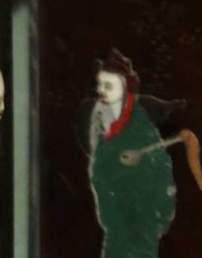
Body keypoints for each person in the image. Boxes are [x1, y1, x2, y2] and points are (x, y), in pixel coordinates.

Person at [78, 52, 179, 258]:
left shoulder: (141, 124)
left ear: (125, 87)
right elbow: (98, 173)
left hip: (145, 221)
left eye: (108, 85)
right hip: (117, 224)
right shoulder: (101, 119)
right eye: (100, 84)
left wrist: (163, 213)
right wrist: (111, 217)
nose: (101, 90)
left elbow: (162, 167)